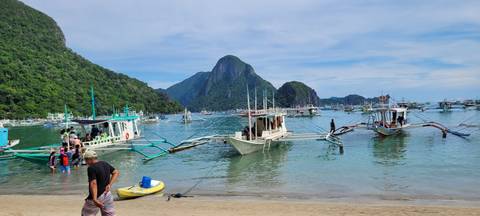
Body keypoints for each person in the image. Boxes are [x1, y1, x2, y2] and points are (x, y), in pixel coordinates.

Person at [82, 150, 119, 216]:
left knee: (86, 214)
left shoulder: (91, 168)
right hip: (107, 194)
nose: (85, 162)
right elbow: (116, 172)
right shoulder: (104, 163)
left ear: (89, 159)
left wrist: (95, 198)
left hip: (98, 196)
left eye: (85, 159)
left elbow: (93, 183)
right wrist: (109, 185)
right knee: (109, 214)